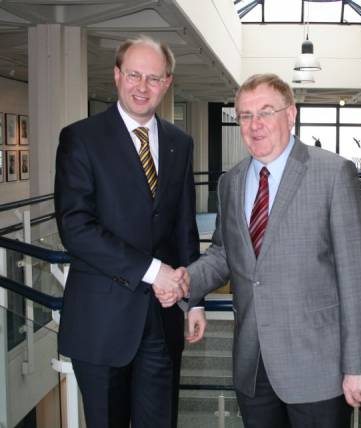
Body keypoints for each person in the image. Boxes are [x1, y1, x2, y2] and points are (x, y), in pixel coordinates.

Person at [176, 73, 361, 428]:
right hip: (253, 366)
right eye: (245, 115)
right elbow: (225, 254)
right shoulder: (231, 182)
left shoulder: (334, 174)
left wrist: (359, 365)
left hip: (317, 369)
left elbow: (358, 278)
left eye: (266, 112)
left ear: (290, 114)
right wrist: (184, 282)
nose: (255, 125)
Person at [54, 36, 206, 428]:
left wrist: (197, 299)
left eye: (153, 78)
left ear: (167, 83)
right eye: (134, 75)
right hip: (102, 324)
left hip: (163, 319)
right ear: (117, 75)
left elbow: (184, 227)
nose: (142, 87)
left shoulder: (179, 143)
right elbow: (76, 228)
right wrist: (156, 271)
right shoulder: (81, 138)